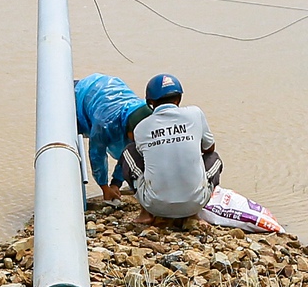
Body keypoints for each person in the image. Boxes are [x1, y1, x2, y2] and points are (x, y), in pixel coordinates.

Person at [120, 73, 222, 222]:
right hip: (195, 204)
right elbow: (209, 149)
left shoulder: (141, 128)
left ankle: (145, 214)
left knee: (129, 152)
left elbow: (144, 158)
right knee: (214, 158)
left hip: (155, 206)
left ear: (150, 103)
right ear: (178, 98)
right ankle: (193, 213)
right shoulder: (195, 113)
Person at [72, 72, 145, 196]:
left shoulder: (146, 114)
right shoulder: (105, 124)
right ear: (129, 131)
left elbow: (128, 155)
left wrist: (116, 183)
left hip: (108, 89)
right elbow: (97, 154)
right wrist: (104, 187)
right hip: (80, 94)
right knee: (68, 141)